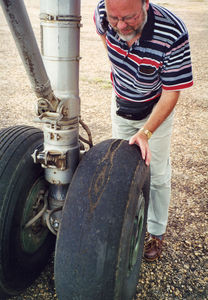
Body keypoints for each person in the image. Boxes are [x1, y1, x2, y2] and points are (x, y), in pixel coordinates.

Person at [94, 0, 193, 261]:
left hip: (154, 110)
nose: (120, 25)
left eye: (129, 18)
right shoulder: (102, 14)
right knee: (120, 167)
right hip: (121, 106)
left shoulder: (173, 32)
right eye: (115, 19)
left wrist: (146, 133)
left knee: (157, 174)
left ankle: (156, 234)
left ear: (145, 4)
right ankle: (121, 225)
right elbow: (104, 36)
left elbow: (172, 92)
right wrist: (121, 69)